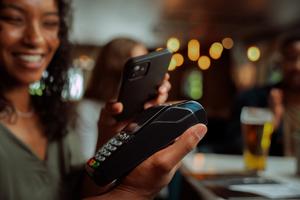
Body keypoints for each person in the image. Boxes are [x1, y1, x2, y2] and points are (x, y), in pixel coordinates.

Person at [0, 0, 207, 199]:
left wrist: (108, 140)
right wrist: (135, 193)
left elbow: (82, 191)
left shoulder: (52, 114)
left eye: (50, 23)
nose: (35, 38)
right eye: (13, 18)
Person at [75, 37, 156, 159]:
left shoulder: (142, 107)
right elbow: (86, 161)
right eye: (140, 65)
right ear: (116, 68)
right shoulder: (86, 109)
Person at [227, 32, 300, 156]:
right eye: (291, 57)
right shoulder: (253, 98)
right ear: (280, 62)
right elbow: (233, 147)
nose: (297, 66)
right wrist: (272, 123)